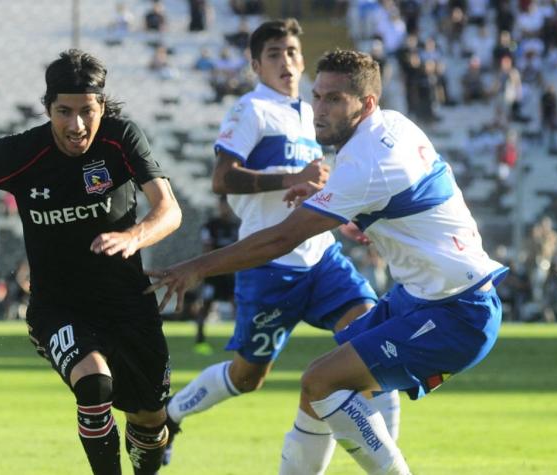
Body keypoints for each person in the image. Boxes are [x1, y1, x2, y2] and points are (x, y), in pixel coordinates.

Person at [148, 49, 506, 474]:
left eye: (334, 100)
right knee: (314, 393)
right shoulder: (393, 127)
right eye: (317, 96)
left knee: (321, 382)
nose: (318, 110)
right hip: (424, 298)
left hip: (456, 312)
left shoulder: (366, 162)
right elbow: (398, 196)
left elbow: (283, 236)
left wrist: (195, 267)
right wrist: (344, 207)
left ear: (366, 104)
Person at [0, 49, 182, 475]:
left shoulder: (120, 139)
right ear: (47, 108)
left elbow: (169, 209)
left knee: (149, 420)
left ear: (101, 107)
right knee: (94, 384)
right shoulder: (21, 153)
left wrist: (134, 235)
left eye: (87, 111)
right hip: (58, 307)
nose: (76, 125)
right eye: (64, 112)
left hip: (128, 304)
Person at [160, 21, 398, 473]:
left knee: (371, 338)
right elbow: (221, 178)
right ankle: (171, 414)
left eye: (292, 51)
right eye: (274, 54)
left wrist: (330, 201)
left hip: (320, 257)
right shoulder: (251, 111)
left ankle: (387, 462)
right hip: (268, 263)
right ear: (255, 65)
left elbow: (319, 181)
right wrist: (290, 178)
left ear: (303, 59)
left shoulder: (312, 114)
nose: (286, 61)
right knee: (247, 377)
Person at [193, 195, 240, 355]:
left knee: (237, 305)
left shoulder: (238, 225)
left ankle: (239, 339)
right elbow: (207, 248)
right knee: (206, 305)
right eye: (222, 204)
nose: (225, 208)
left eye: (227, 205)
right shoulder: (211, 226)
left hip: (232, 272)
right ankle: (200, 340)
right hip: (214, 273)